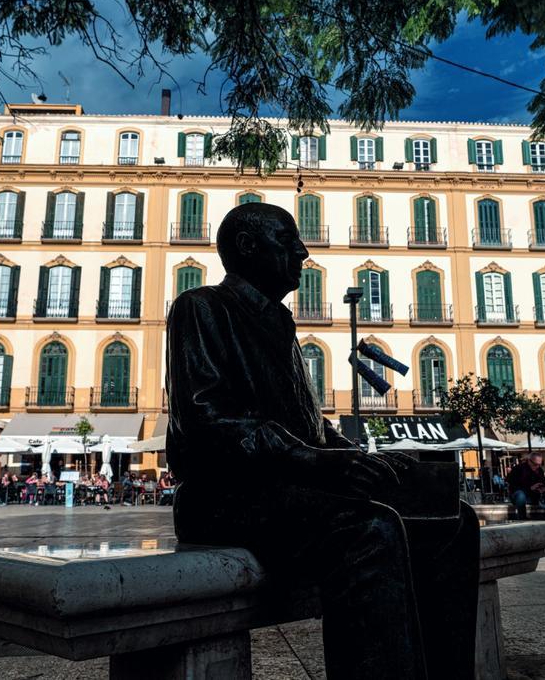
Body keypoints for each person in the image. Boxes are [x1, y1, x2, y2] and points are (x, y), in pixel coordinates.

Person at [166, 203, 480, 679]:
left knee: (454, 519)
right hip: (225, 497)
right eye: (288, 241)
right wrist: (310, 459)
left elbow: (309, 426)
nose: (303, 252)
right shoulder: (201, 307)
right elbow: (206, 419)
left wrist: (348, 456)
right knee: (368, 529)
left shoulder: (279, 323)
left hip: (291, 491)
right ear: (249, 247)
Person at [506, 451, 545, 520]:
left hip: (533, 494)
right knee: (521, 495)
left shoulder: (539, 470)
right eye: (535, 464)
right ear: (529, 461)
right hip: (518, 494)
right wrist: (530, 488)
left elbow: (543, 482)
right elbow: (513, 486)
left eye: (540, 464)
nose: (537, 466)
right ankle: (522, 518)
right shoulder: (518, 469)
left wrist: (542, 487)